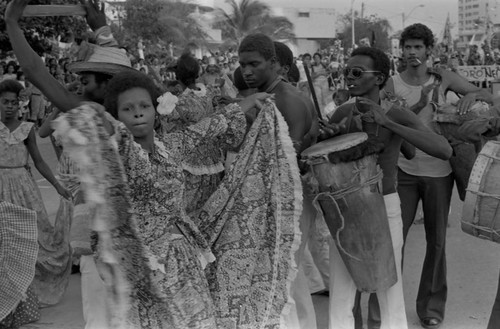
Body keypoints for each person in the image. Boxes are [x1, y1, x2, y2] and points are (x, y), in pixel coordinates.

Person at [5, 0, 138, 327]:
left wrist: (11, 23)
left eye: (87, 80)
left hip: (104, 239)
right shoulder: (135, 111)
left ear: (106, 84)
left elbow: (36, 71)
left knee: (100, 315)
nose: (80, 85)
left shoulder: (93, 115)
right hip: (131, 237)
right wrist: (102, 31)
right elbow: (123, 69)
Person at [320, 46, 452, 329]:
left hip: (384, 204)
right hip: (344, 210)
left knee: (389, 289)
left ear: (379, 78)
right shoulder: (341, 112)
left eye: (356, 73)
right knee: (342, 292)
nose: (349, 78)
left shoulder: (395, 112)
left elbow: (443, 150)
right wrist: (328, 136)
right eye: (346, 72)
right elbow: (322, 159)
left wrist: (387, 123)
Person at [383, 23, 493, 329]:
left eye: (419, 47)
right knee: (395, 241)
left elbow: (482, 93)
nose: (413, 52)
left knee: (437, 242)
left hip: (439, 172)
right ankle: (389, 307)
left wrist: (468, 99)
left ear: (429, 50)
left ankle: (431, 308)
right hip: (403, 171)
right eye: (408, 47)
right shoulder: (392, 84)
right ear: (401, 51)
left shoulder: (442, 78)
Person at [238, 33, 319, 329]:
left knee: (280, 282)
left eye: (254, 64)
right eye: (242, 64)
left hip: (287, 202)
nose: (247, 71)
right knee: (289, 280)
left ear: (274, 63)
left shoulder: (287, 100)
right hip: (280, 200)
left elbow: (288, 163)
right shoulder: (271, 96)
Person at [0, 79, 72, 328]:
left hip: (23, 188)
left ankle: (25, 299)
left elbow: (40, 162)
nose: (9, 107)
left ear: (20, 104)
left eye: (14, 102)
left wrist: (57, 186)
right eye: (4, 102)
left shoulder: (26, 129)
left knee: (34, 241)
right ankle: (8, 303)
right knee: (5, 247)